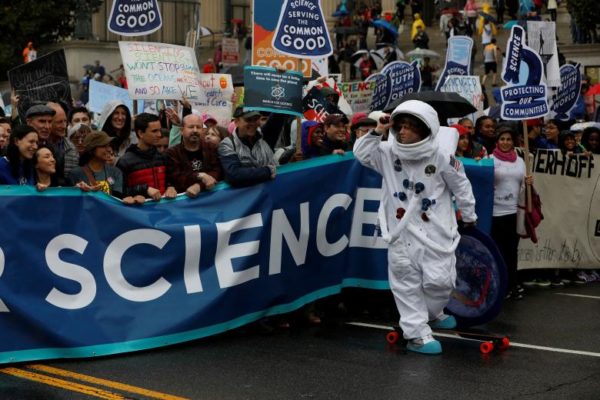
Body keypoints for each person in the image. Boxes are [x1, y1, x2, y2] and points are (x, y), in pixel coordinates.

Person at [353, 100, 477, 355]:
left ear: (425, 130)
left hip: (436, 233)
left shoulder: (441, 156)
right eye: (401, 126)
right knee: (406, 282)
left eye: (410, 127)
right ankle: (416, 333)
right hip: (401, 233)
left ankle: (431, 313)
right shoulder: (387, 152)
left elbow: (461, 185)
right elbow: (362, 153)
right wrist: (378, 130)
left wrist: (469, 213)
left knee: (441, 282)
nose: (403, 132)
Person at [490, 124, 533, 300]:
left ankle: (511, 285)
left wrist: (528, 182)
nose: (505, 142)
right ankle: (499, 286)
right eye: (502, 139)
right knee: (498, 251)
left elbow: (523, 185)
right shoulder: (490, 159)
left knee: (511, 251)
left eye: (508, 139)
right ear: (497, 141)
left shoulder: (521, 161)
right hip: (495, 213)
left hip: (514, 213)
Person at [218, 106, 286, 187]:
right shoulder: (227, 144)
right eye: (248, 120)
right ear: (236, 122)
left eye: (256, 119)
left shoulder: (265, 136)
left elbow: (280, 112)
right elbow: (234, 175)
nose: (253, 123)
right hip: (250, 197)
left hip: (274, 190)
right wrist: (267, 171)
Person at [116, 113, 177, 203]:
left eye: (159, 130)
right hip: (138, 214)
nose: (159, 134)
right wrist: (144, 189)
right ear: (140, 133)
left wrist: (171, 187)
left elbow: (172, 180)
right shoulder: (125, 162)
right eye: (154, 131)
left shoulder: (163, 157)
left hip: (164, 212)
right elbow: (118, 192)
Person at [165, 114, 222, 198]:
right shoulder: (172, 153)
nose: (195, 130)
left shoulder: (211, 148)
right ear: (181, 130)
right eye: (191, 127)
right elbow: (176, 178)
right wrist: (200, 175)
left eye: (198, 127)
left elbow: (217, 172)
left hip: (210, 198)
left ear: (202, 130)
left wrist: (199, 186)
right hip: (185, 202)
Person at [68, 131, 127, 200]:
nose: (109, 149)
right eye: (104, 146)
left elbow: (117, 201)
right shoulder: (76, 173)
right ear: (91, 149)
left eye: (109, 145)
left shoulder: (115, 172)